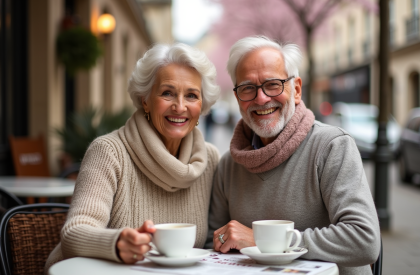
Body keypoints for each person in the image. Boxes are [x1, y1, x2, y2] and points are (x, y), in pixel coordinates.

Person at [207, 36, 380, 275]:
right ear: (237, 98)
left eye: (273, 84)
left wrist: (266, 241)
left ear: (296, 90)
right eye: (248, 88)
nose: (261, 98)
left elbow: (365, 240)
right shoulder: (228, 165)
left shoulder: (332, 146)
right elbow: (214, 244)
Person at [45, 43, 220, 272]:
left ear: (202, 105)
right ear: (145, 99)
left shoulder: (209, 159)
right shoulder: (108, 151)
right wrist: (116, 243)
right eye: (167, 93)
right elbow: (74, 233)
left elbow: (212, 244)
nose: (179, 106)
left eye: (191, 96)